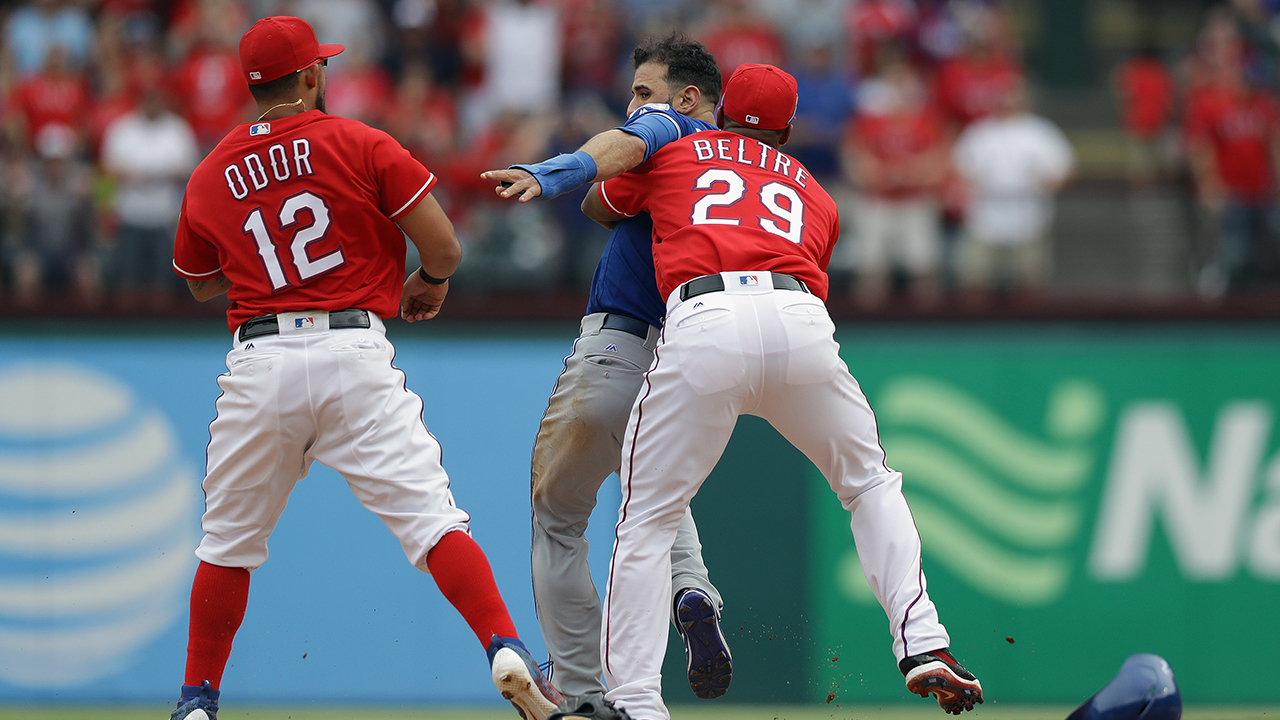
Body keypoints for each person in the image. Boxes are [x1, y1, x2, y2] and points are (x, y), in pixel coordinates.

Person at [167, 16, 562, 720]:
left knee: (227, 544)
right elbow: (443, 247)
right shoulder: (358, 141)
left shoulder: (210, 170)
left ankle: (198, 701)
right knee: (434, 522)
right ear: (312, 75)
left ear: (252, 85)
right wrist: (428, 282)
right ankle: (504, 646)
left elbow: (199, 280)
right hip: (352, 348)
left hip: (261, 356)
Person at [582, 64, 983, 720]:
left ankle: (635, 703)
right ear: (788, 130)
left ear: (720, 110)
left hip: (704, 317)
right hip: (798, 319)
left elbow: (601, 203)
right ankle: (922, 642)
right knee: (871, 484)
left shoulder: (678, 152)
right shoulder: (816, 193)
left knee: (648, 517)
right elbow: (806, 257)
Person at [480, 34, 733, 702]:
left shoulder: (671, 133)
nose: (634, 107)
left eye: (644, 93)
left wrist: (554, 171)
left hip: (616, 348)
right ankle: (694, 590)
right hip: (694, 358)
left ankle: (583, 689)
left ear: (687, 98)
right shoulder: (747, 175)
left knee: (557, 519)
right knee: (656, 496)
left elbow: (608, 174)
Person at [950, 79, 1074, 301]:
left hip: (1029, 216)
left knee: (1031, 280)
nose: (1007, 103)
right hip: (984, 217)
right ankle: (974, 331)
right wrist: (968, 187)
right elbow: (958, 169)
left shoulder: (1041, 131)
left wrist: (1046, 183)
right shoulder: (979, 132)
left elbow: (1064, 169)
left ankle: (1032, 330)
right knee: (974, 280)